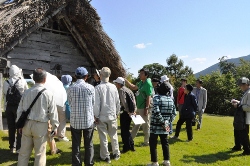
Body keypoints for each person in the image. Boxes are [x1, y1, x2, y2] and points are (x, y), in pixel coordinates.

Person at [16, 68, 59, 166]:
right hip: (40, 125)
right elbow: (53, 112)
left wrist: (19, 124)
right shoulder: (48, 93)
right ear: (44, 79)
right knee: (39, 154)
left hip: (27, 124)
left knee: (23, 153)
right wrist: (55, 126)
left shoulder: (26, 92)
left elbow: (20, 110)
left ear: (34, 79)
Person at [67, 67, 95, 166]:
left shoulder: (70, 88)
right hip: (88, 120)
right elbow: (93, 103)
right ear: (86, 76)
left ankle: (76, 164)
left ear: (75, 76)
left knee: (76, 145)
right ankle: (89, 164)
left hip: (75, 120)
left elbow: (70, 103)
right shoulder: (90, 88)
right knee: (89, 145)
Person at [94, 67, 121, 163]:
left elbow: (96, 104)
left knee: (103, 137)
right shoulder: (114, 87)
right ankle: (116, 153)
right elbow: (118, 102)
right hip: (112, 115)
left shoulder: (97, 88)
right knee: (114, 135)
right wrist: (117, 112)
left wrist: (95, 116)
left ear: (100, 75)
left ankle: (106, 156)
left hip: (102, 116)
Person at [147, 82, 177, 166]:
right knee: (165, 142)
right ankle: (167, 161)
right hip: (166, 126)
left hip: (155, 125)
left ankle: (154, 162)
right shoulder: (170, 99)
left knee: (153, 143)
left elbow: (156, 111)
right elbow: (174, 113)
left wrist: (162, 121)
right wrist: (167, 122)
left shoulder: (156, 98)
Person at [3, 65, 28, 153]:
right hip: (19, 107)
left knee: (11, 127)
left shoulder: (6, 82)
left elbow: (5, 95)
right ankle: (19, 148)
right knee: (19, 126)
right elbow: (26, 94)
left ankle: (11, 147)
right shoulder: (22, 81)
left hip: (9, 107)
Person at [125, 68, 153, 146]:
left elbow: (148, 96)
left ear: (146, 75)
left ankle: (147, 142)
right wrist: (126, 81)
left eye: (142, 73)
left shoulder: (148, 83)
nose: (140, 75)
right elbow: (134, 87)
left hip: (144, 107)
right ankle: (130, 139)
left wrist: (146, 108)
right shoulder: (141, 82)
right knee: (136, 123)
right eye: (140, 73)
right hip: (139, 107)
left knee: (145, 125)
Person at [113, 77, 136, 153]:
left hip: (126, 113)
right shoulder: (128, 90)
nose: (115, 84)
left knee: (124, 131)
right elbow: (134, 100)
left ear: (119, 84)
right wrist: (133, 111)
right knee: (127, 130)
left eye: (116, 83)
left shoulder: (121, 91)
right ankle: (131, 145)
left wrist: (127, 111)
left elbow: (124, 102)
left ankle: (126, 147)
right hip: (131, 112)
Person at [231, 77, 250, 155]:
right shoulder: (246, 92)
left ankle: (247, 150)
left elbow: (248, 107)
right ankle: (237, 146)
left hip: (245, 117)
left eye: (241, 85)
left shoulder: (249, 93)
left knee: (244, 134)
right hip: (241, 117)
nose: (240, 87)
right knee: (237, 131)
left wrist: (238, 105)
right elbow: (244, 103)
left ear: (246, 84)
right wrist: (238, 102)